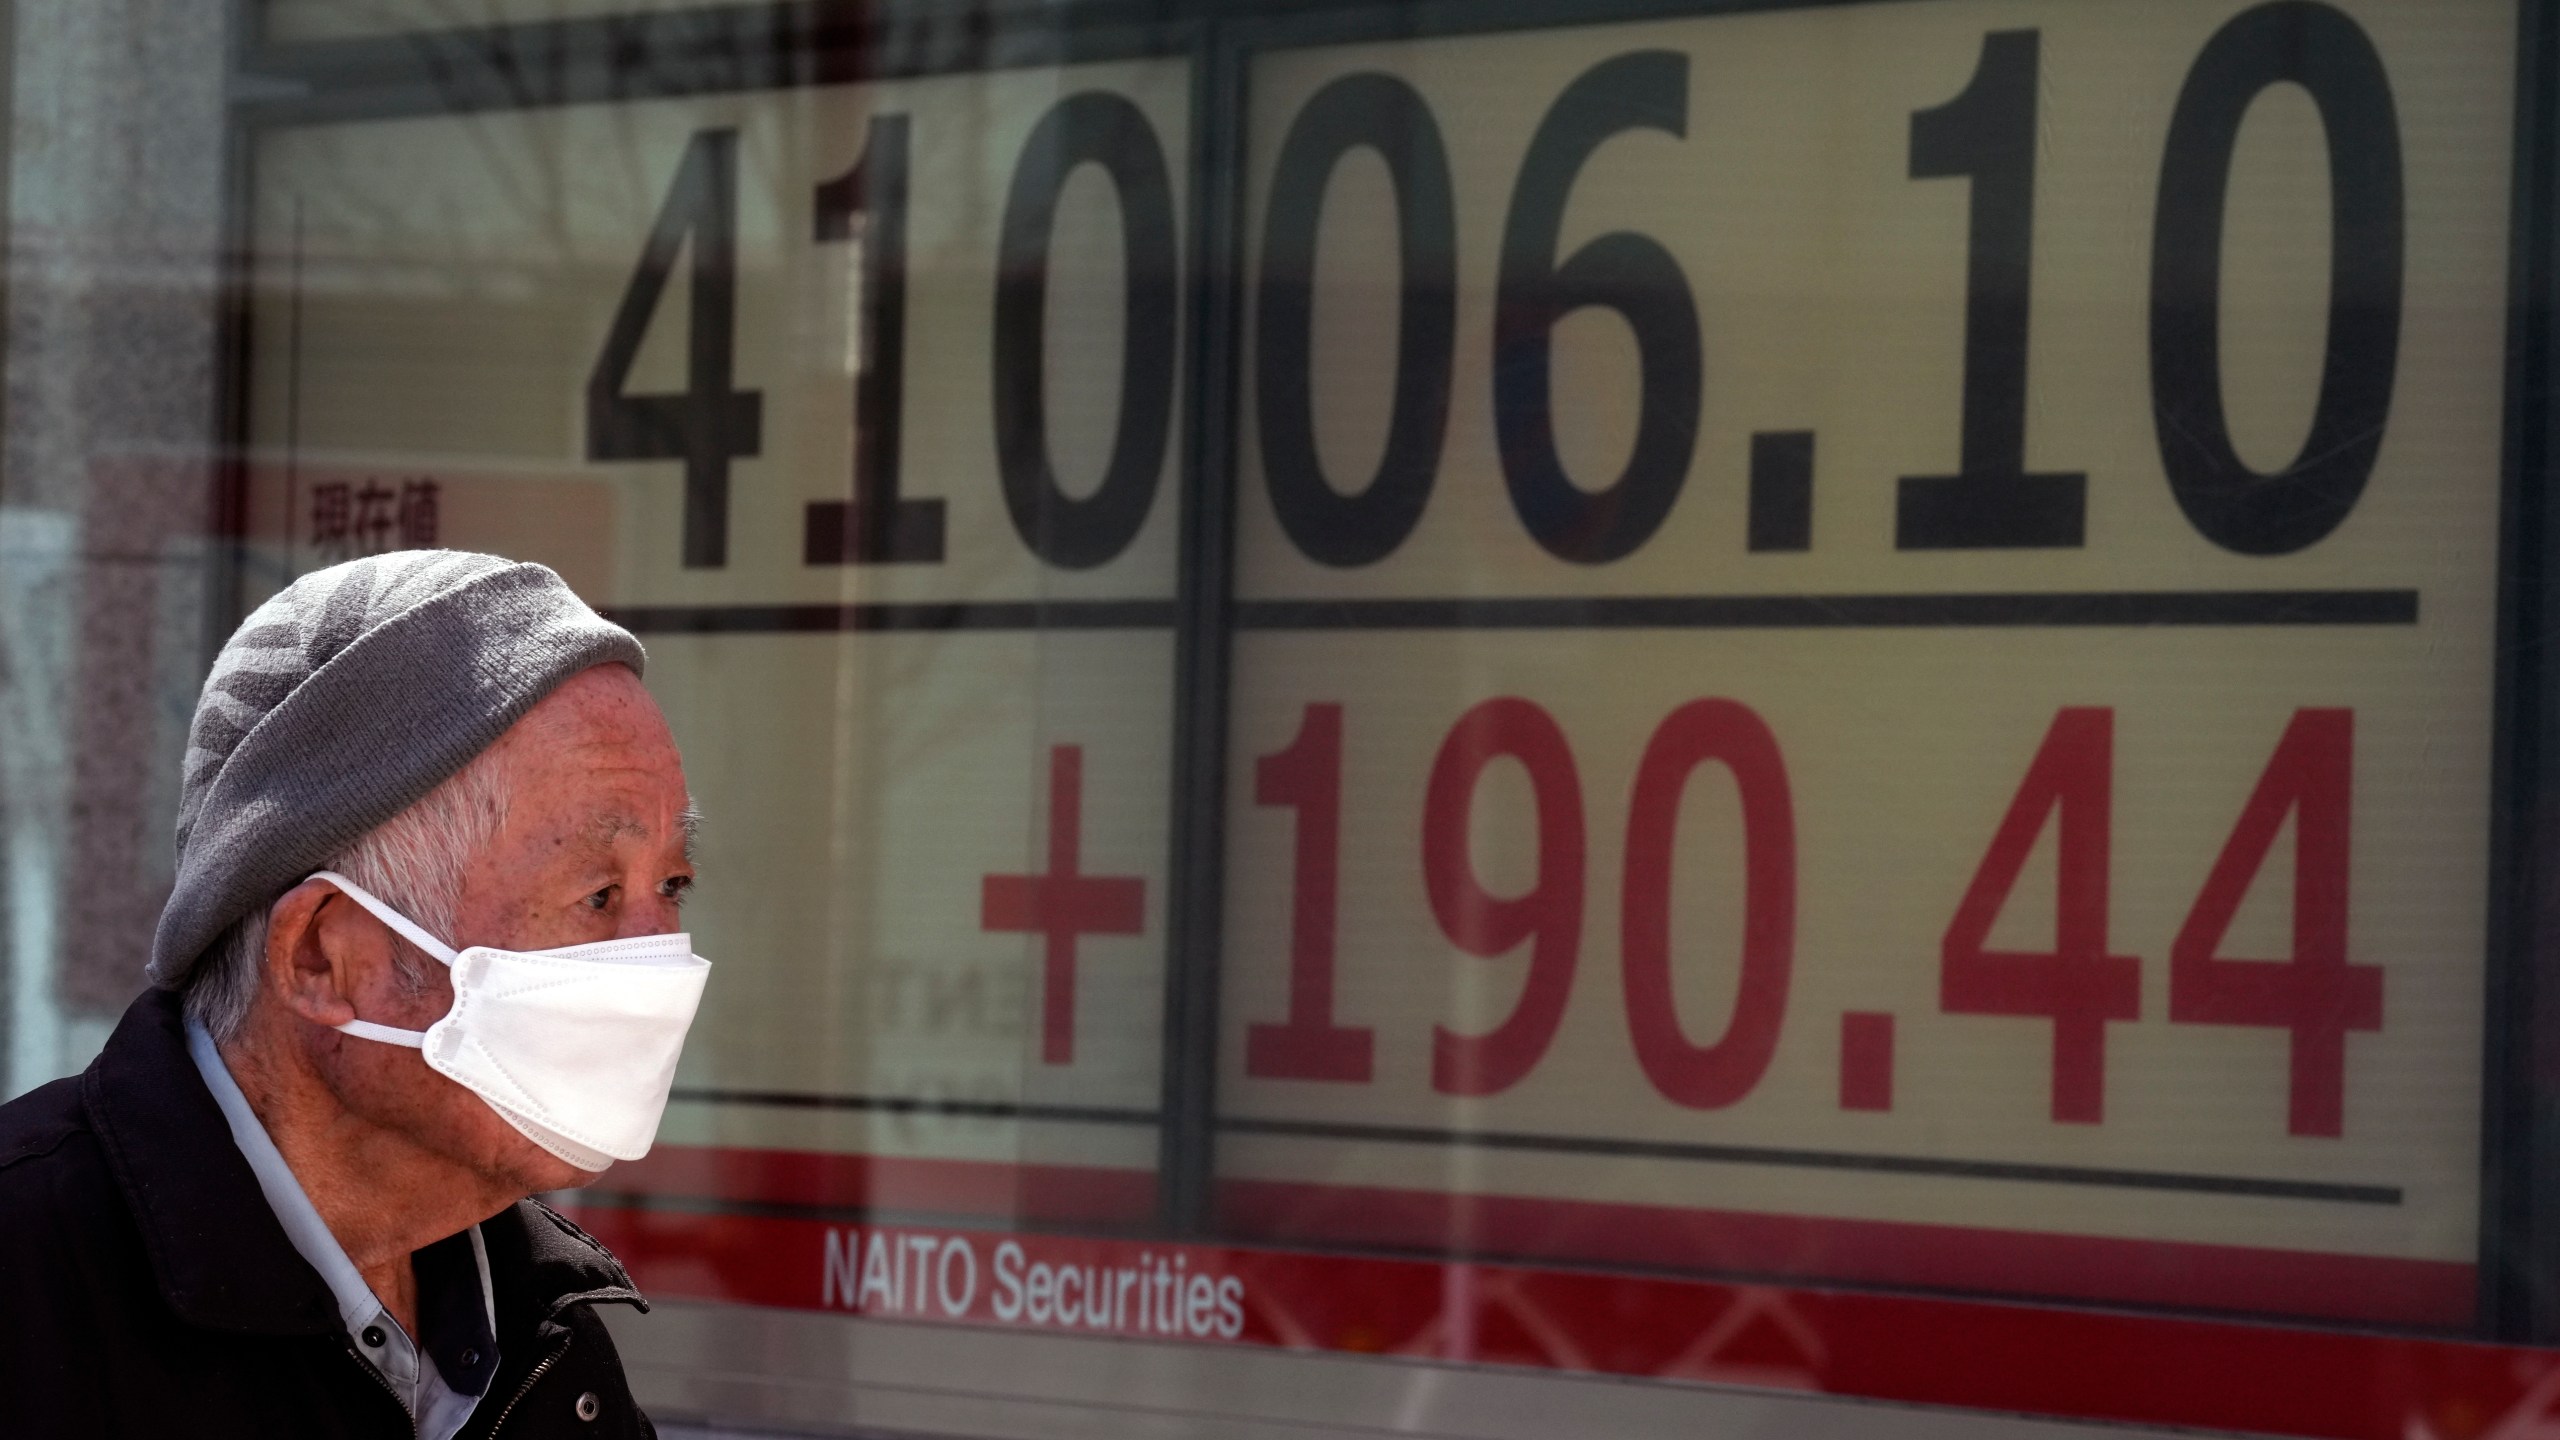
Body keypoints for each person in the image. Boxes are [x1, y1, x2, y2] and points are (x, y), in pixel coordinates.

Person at [0, 550, 710, 1438]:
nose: (658, 954)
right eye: (598, 896)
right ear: (324, 958)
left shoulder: (545, 1340)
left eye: (672, 886)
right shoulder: (28, 1300)